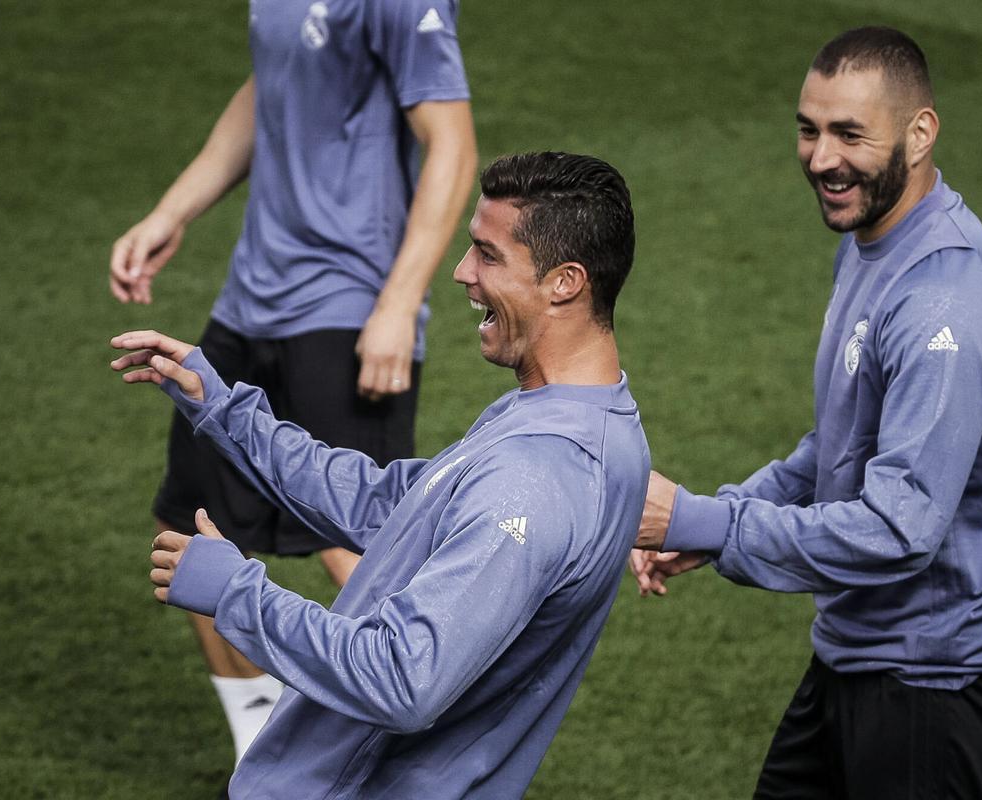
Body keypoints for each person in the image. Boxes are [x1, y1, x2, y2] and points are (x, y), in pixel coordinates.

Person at [111, 152, 649, 799]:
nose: (461, 271)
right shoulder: (588, 418)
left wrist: (237, 594)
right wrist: (226, 409)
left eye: (488, 255)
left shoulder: (532, 479)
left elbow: (402, 679)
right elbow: (387, 503)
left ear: (565, 282)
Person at [631, 27, 982, 799]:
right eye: (809, 129)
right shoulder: (871, 245)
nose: (822, 158)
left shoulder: (941, 305)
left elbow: (898, 530)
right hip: (859, 659)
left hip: (941, 690)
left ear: (919, 134)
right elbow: (843, 445)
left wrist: (708, 523)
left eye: (850, 134)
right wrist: (717, 515)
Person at [107, 0, 477, 761]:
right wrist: (174, 210)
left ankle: (429, 749)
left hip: (348, 302)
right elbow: (272, 80)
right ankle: (261, 749)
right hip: (250, 301)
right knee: (192, 531)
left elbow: (453, 143)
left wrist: (398, 302)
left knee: (366, 545)